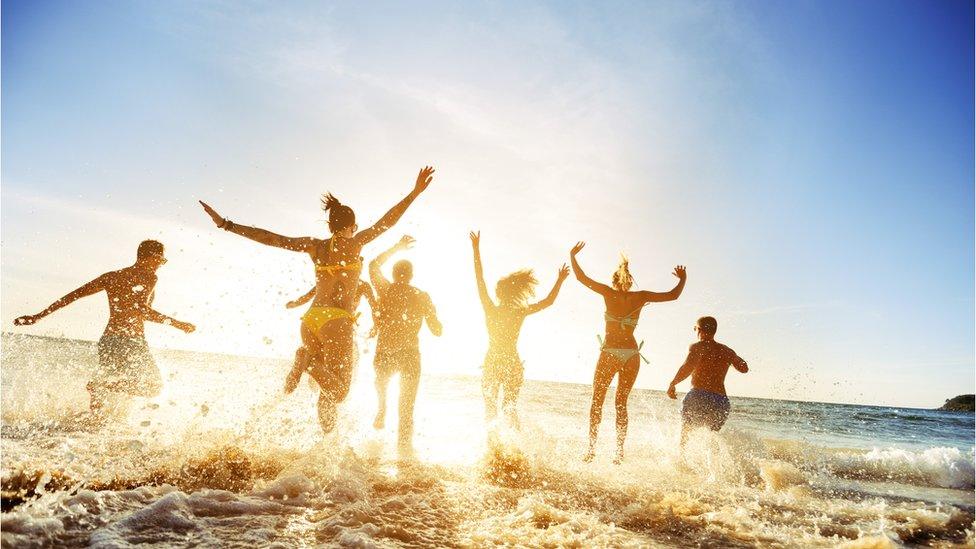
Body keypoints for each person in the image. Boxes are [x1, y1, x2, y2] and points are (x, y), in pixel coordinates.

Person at [199, 166, 435, 434]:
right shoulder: (356, 244)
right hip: (336, 321)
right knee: (340, 392)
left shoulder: (315, 246)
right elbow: (387, 221)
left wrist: (226, 225)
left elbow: (273, 239)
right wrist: (414, 193)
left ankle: (326, 442)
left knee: (327, 389)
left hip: (310, 321)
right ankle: (306, 362)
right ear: (350, 227)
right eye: (355, 227)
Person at [13, 240, 195, 414]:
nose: (160, 265)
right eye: (161, 260)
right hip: (131, 341)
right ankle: (98, 390)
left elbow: (73, 295)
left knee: (107, 388)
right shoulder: (149, 277)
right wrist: (178, 324)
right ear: (149, 257)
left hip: (109, 341)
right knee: (153, 387)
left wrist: (39, 316)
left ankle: (94, 424)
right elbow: (141, 310)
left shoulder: (112, 277)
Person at [570, 241, 686, 464]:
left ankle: (591, 451)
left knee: (597, 400)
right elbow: (673, 295)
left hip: (610, 352)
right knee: (621, 403)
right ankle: (619, 453)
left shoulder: (607, 292)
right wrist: (683, 279)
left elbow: (581, 278)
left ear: (614, 281)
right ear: (630, 281)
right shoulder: (640, 296)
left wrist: (572, 255)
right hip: (631, 354)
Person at [470, 231, 569, 429]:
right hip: (512, 363)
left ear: (498, 293)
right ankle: (516, 450)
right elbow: (548, 302)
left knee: (491, 409)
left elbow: (479, 279)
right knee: (510, 407)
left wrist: (475, 249)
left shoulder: (490, 309)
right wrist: (560, 280)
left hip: (492, 361)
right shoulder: (519, 312)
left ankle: (492, 451)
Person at [366, 235, 442, 454]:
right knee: (406, 408)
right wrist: (433, 316)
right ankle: (404, 455)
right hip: (410, 354)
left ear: (393, 274)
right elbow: (436, 331)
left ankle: (381, 406)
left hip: (385, 351)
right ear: (411, 276)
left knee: (381, 382)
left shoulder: (386, 289)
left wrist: (397, 247)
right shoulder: (421, 296)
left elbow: (372, 265)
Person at [667, 316, 748, 449]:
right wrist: (732, 358)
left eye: (695, 329)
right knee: (711, 439)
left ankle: (682, 463)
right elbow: (744, 368)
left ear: (699, 330)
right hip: (721, 401)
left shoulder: (698, 347)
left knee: (685, 436)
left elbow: (688, 366)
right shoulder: (726, 350)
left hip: (698, 396)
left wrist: (673, 383)